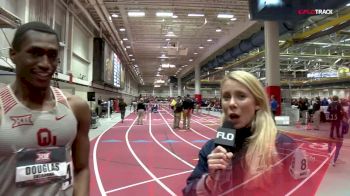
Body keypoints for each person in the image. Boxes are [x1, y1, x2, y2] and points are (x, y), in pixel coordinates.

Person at [0, 22, 90, 195]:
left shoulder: (76, 108)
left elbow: (82, 168)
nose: (45, 64)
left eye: (52, 55)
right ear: (13, 54)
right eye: (35, 53)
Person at [183, 71, 296, 195]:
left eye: (241, 96)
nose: (231, 103)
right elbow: (189, 192)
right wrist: (210, 180)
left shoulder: (282, 146)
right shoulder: (212, 149)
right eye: (226, 97)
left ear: (257, 103)